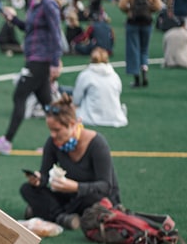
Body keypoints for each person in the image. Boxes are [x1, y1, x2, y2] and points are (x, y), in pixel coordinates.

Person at [0, 0, 63, 156]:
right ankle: (63, 139)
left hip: (40, 60)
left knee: (20, 95)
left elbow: (56, 35)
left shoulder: (49, 5)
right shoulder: (36, 3)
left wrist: (55, 62)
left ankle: (7, 141)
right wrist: (14, 20)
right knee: (47, 104)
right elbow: (30, 28)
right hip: (35, 57)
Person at [20, 93, 121, 229]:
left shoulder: (97, 143)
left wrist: (76, 187)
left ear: (72, 124)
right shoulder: (53, 143)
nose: (53, 135)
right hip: (69, 195)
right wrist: (39, 180)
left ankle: (49, 213)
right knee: (27, 189)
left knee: (92, 199)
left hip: (92, 196)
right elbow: (45, 175)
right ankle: (62, 217)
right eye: (50, 130)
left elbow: (106, 186)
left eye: (57, 130)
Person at [117, 0, 163, 88]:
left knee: (133, 49)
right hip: (147, 22)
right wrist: (149, 10)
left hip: (133, 21)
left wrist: (130, 10)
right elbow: (158, 6)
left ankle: (136, 77)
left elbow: (121, 4)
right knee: (144, 49)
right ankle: (144, 70)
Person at [72, 47, 127, 128]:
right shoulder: (115, 76)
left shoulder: (86, 74)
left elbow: (76, 100)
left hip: (90, 118)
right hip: (115, 117)